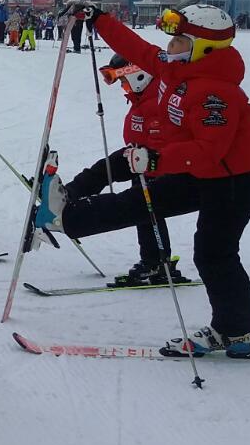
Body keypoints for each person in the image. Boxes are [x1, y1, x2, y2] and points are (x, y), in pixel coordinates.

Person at [40, 1, 250, 358]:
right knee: (140, 203)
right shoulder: (176, 68)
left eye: (179, 40)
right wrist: (99, 19)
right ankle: (65, 217)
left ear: (203, 47)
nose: (170, 45)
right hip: (200, 170)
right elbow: (137, 49)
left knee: (214, 252)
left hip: (234, 180)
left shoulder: (216, 93)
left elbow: (209, 149)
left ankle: (238, 332)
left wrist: (156, 158)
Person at [64, 55, 190, 284]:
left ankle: (156, 262)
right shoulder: (144, 97)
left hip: (154, 162)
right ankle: (69, 193)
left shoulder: (157, 100)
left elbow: (166, 138)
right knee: (106, 169)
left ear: (139, 76)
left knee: (145, 209)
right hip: (138, 155)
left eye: (123, 81)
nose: (123, 87)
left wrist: (151, 162)